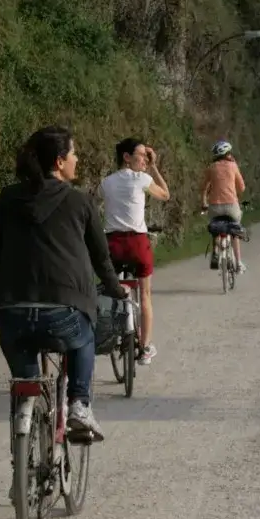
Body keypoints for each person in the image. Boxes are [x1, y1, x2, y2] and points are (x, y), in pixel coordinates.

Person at [0, 126, 128, 441]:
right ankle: (79, 404)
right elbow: (101, 260)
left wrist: (14, 286)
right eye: (74, 154)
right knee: (85, 335)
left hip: (12, 312)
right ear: (61, 161)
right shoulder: (80, 202)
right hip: (65, 312)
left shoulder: (9, 198)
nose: (77, 160)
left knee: (27, 382)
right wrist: (117, 292)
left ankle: (24, 460)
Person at [100, 137, 170, 366]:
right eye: (141, 154)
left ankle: (111, 331)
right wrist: (155, 167)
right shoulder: (143, 178)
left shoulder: (106, 182)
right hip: (138, 244)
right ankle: (146, 347)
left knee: (110, 290)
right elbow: (165, 195)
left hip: (112, 246)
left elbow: (94, 204)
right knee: (145, 295)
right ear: (126, 157)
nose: (145, 159)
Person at [200, 139, 247, 273]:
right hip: (231, 205)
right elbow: (242, 187)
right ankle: (238, 263)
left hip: (215, 206)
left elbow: (203, 188)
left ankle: (215, 253)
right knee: (235, 232)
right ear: (228, 154)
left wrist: (203, 203)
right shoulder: (233, 166)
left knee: (216, 228)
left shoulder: (211, 168)